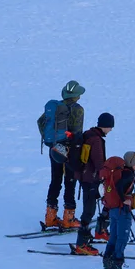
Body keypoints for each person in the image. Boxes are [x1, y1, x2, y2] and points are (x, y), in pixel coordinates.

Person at [42, 80, 85, 229]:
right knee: (70, 182)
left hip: (54, 148)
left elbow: (42, 123)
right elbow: (77, 132)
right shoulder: (78, 109)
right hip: (69, 150)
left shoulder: (55, 107)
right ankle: (69, 218)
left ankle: (50, 216)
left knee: (55, 180)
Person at [71, 113, 113, 255]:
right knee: (89, 210)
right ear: (106, 126)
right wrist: (105, 176)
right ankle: (81, 244)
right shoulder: (96, 140)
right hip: (90, 178)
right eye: (110, 127)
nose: (111, 130)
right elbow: (98, 162)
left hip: (85, 177)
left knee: (94, 205)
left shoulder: (88, 135)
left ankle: (98, 232)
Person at [101, 151, 135, 269]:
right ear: (132, 163)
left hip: (113, 209)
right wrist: (125, 199)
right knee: (122, 238)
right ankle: (117, 267)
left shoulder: (120, 172)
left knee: (114, 237)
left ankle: (108, 265)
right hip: (122, 210)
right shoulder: (128, 174)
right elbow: (119, 186)